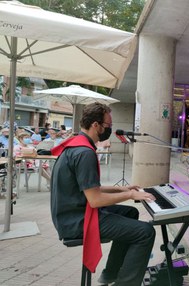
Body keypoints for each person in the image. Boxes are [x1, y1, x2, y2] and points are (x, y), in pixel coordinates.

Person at [50, 102, 155, 286]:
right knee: (145, 232)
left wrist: (121, 189)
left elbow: (88, 189)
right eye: (108, 126)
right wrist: (130, 196)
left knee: (131, 213)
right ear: (96, 125)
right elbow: (96, 200)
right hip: (76, 221)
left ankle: (110, 274)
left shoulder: (76, 145)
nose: (110, 130)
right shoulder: (85, 153)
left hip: (70, 214)